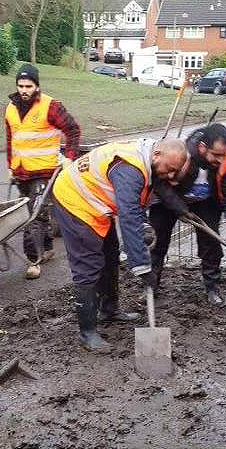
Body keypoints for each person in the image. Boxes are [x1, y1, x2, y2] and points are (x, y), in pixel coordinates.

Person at [52, 138, 189, 352]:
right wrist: (143, 267)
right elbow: (129, 215)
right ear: (157, 154)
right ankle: (87, 333)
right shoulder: (130, 169)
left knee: (110, 256)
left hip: (97, 203)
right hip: (75, 201)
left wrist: (179, 209)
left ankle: (109, 309)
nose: (171, 175)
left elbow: (149, 193)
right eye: (170, 169)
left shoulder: (150, 159)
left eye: (175, 172)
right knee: (88, 267)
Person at [149, 123, 226, 306]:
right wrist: (180, 209)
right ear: (202, 147)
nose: (220, 160)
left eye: (223, 155)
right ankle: (150, 288)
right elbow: (159, 182)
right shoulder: (181, 153)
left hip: (206, 202)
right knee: (157, 243)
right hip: (169, 199)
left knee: (211, 243)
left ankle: (212, 288)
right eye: (215, 155)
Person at [5, 63, 82, 279]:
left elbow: (73, 130)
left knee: (33, 216)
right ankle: (47, 248)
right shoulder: (11, 108)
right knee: (38, 212)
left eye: (28, 85)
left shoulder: (51, 106)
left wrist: (69, 157)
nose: (24, 90)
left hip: (45, 170)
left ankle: (33, 261)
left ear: (37, 86)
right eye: (20, 85)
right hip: (22, 171)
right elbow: (11, 140)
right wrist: (10, 166)